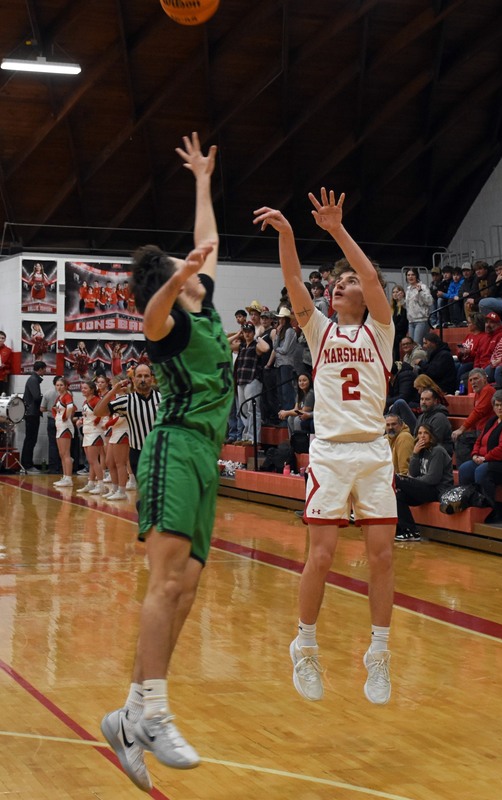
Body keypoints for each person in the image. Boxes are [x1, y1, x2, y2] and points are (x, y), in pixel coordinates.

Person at [100, 133, 233, 793]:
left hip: (205, 458)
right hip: (175, 447)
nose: (196, 264)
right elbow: (148, 313)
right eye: (183, 267)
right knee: (165, 583)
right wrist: (175, 277)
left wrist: (203, 181)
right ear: (171, 284)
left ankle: (128, 714)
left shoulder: (201, 307)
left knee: (187, 589)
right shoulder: (170, 322)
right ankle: (153, 710)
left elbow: (208, 238)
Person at [254, 187, 397, 707]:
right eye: (336, 281)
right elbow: (295, 281)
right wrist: (290, 233)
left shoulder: (381, 330)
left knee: (382, 558)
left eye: (348, 280)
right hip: (332, 454)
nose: (340, 284)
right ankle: (305, 644)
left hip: (374, 454)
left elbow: (375, 279)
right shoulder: (317, 330)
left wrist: (337, 229)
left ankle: (378, 654)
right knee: (322, 555)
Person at [458, 389, 502, 521]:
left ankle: (489, 509)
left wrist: (485, 458)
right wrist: (474, 454)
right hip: (489, 460)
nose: (499, 408)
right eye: (496, 405)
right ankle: (468, 503)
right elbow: (479, 440)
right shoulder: (492, 421)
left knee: (482, 471)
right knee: (465, 468)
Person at [94, 363, 161, 478]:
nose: (143, 379)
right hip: (138, 452)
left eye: (146, 376)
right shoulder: (126, 401)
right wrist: (112, 392)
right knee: (144, 490)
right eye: (139, 376)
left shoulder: (162, 398)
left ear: (152, 378)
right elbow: (98, 412)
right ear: (133, 379)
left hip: (160, 451)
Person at [394, 424, 454, 540]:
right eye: (420, 433)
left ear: (432, 436)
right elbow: (413, 472)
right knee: (399, 495)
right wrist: (415, 454)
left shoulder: (438, 451)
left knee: (397, 480)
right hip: (424, 488)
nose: (422, 436)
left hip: (437, 490)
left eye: (425, 433)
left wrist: (411, 481)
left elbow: (433, 479)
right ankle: (410, 531)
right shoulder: (421, 450)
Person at [451, 368, 496, 466]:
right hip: (480, 431)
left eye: (476, 379)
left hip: (488, 431)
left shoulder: (488, 390)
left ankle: (465, 468)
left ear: (484, 379)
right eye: (470, 380)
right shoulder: (478, 394)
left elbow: (478, 412)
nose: (473, 382)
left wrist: (462, 429)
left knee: (461, 438)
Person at [76, 380, 106, 495]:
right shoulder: (85, 402)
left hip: (95, 432)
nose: (83, 390)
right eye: (82, 388)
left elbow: (102, 413)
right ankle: (91, 483)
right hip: (87, 432)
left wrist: (96, 421)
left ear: (92, 389)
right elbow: (87, 416)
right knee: (90, 460)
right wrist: (81, 420)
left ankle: (101, 485)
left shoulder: (96, 400)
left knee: (94, 460)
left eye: (85, 388)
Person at [20, 361, 47, 474]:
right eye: (44, 369)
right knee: (30, 439)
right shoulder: (33, 379)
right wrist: (45, 401)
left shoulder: (33, 379)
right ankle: (27, 465)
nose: (45, 371)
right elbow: (36, 397)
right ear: (40, 369)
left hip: (32, 413)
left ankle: (26, 464)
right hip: (32, 414)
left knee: (31, 439)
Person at [273, 307, 298, 411]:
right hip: (279, 363)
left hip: (287, 364)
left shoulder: (289, 331)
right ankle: (283, 413)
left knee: (286, 390)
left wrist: (277, 348)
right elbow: (275, 346)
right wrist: (278, 334)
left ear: (287, 319)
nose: (281, 320)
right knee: (280, 390)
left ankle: (287, 413)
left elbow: (285, 349)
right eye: (280, 318)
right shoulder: (282, 331)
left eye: (283, 318)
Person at [52, 377, 75, 488]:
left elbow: (71, 407)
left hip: (65, 427)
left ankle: (69, 478)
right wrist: (57, 415)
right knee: (62, 453)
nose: (59, 387)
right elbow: (54, 409)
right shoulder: (58, 398)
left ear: (66, 386)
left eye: (61, 385)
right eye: (57, 385)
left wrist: (65, 416)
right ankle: (65, 476)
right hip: (59, 427)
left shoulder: (67, 396)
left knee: (66, 454)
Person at [278, 373, 315, 437]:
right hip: (304, 414)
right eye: (300, 381)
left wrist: (286, 412)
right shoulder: (299, 394)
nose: (301, 383)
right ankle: (293, 441)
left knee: (297, 419)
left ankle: (300, 441)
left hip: (312, 415)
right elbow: (296, 409)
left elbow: (303, 412)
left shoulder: (311, 393)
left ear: (310, 381)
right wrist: (285, 412)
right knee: (290, 418)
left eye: (304, 380)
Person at [40, 375, 63, 474]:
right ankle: (62, 466)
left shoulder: (48, 393)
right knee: (63, 445)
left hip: (51, 419)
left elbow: (41, 408)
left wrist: (50, 409)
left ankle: (53, 467)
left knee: (52, 444)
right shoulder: (67, 394)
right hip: (62, 420)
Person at [405, 267, 433, 344]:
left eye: (412, 275)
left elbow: (430, 301)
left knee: (417, 344)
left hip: (421, 320)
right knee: (411, 346)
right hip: (411, 321)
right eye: (408, 275)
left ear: (416, 276)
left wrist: (420, 291)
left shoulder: (423, 287)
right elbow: (408, 306)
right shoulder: (408, 289)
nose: (410, 277)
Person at [390, 285, 407, 361]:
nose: (395, 294)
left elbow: (403, 322)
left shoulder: (404, 305)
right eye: (393, 292)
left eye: (397, 292)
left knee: (394, 340)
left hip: (400, 331)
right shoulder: (392, 307)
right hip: (393, 331)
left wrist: (393, 329)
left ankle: (396, 362)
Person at [0, 331, 13, 395]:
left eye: (2, 338)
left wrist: (4, 365)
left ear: (5, 339)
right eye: (0, 338)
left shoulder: (8, 350)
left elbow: (10, 364)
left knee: (2, 396)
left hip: (3, 377)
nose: (1, 340)